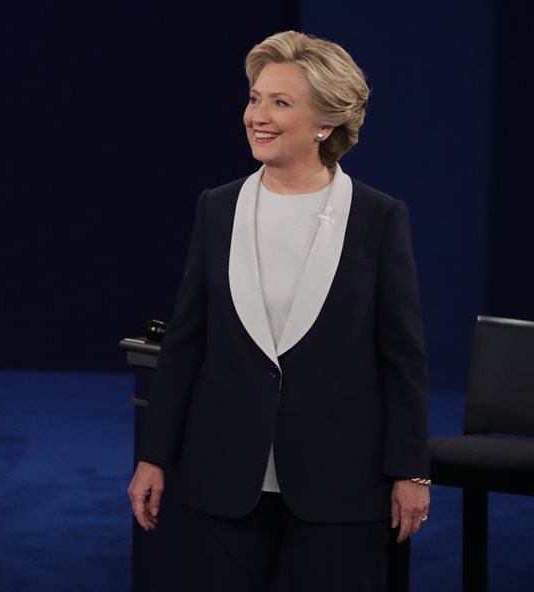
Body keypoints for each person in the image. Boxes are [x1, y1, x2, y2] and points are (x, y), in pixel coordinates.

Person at [127, 31, 430, 591]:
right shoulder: (217, 208)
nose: (256, 115)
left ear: (326, 123)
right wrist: (154, 457)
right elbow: (188, 343)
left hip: (341, 481)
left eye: (280, 102)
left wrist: (411, 471)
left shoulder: (378, 217)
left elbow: (402, 360)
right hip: (225, 474)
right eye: (254, 98)